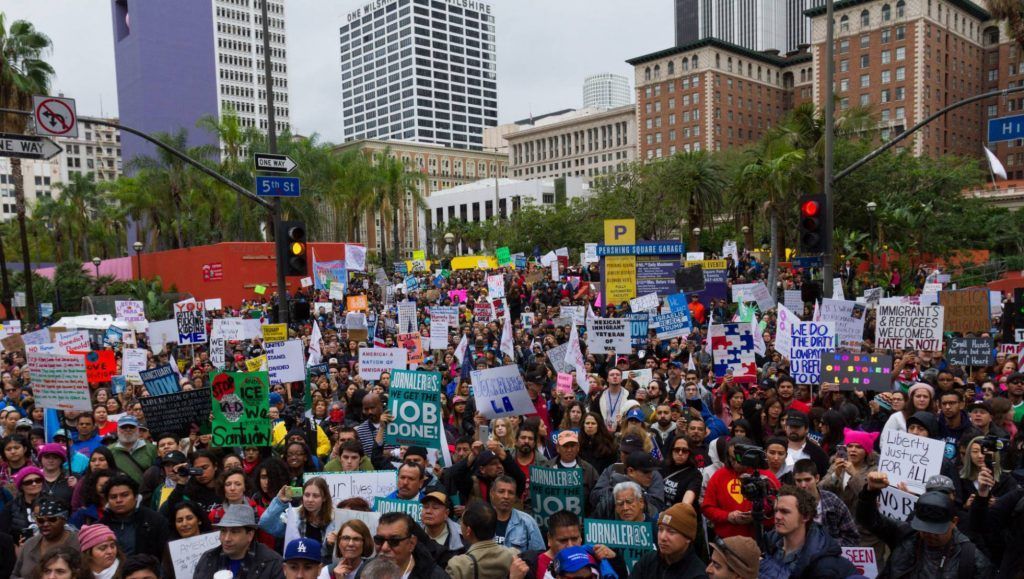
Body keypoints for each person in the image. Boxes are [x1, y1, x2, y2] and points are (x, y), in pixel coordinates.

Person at [857, 472, 994, 578]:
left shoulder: (972, 560)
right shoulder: (905, 535)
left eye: (937, 530)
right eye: (925, 528)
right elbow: (868, 519)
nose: (930, 535)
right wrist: (870, 492)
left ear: (954, 522)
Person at [758, 485, 856, 578]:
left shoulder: (823, 562)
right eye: (776, 511)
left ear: (805, 517)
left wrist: (766, 566)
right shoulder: (769, 544)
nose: (777, 517)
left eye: (785, 512)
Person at [702, 437, 780, 539]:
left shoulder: (766, 477)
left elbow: (778, 508)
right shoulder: (718, 476)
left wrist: (756, 516)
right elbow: (707, 508)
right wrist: (728, 516)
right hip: (727, 540)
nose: (736, 463)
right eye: (732, 458)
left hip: (759, 538)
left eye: (739, 458)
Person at [259, 477, 340, 562]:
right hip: (296, 566)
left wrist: (331, 544)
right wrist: (279, 501)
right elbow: (265, 524)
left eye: (315, 496)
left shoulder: (335, 519)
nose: (310, 500)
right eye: (307, 495)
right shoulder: (293, 516)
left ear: (324, 498)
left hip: (323, 568)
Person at [194, 504, 284, 579]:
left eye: (234, 532)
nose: (226, 538)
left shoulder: (272, 563)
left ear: (250, 535)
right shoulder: (208, 558)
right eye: (223, 531)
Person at [98, 473, 168, 560]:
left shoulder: (155, 522)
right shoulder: (100, 527)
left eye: (125, 495)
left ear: (135, 497)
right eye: (113, 497)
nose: (119, 500)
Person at [791, 459, 859, 547]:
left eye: (807, 480)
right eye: (799, 481)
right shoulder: (789, 503)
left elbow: (852, 537)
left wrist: (828, 546)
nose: (803, 485)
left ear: (817, 478)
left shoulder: (832, 501)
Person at [630, 502, 708, 578]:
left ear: (687, 538)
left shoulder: (698, 574)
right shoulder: (648, 561)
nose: (663, 537)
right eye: (660, 529)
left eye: (671, 532)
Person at [365, 512, 448, 579]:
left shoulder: (434, 576)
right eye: (379, 540)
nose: (384, 547)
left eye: (394, 541)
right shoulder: (365, 570)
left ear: (411, 543)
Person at [11, 498, 79, 579]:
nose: (45, 524)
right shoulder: (29, 544)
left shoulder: (79, 543)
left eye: (52, 519)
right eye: (40, 520)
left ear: (64, 520)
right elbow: (14, 575)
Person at [445, 501, 515, 579]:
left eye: (462, 520)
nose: (460, 523)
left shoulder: (458, 566)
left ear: (468, 530)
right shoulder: (513, 555)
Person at [489, 475, 544, 551]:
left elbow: (539, 554)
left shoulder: (527, 522)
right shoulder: (482, 520)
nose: (506, 496)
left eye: (511, 493)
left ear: (515, 497)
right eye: (501, 491)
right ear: (492, 493)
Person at [108, 416, 157, 485]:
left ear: (137, 429)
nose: (128, 430)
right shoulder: (109, 451)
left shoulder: (151, 448)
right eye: (124, 427)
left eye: (131, 427)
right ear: (117, 429)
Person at [418, 490, 463, 565]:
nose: (428, 511)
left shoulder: (461, 538)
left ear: (446, 513)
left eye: (435, 508)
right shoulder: (413, 535)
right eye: (425, 507)